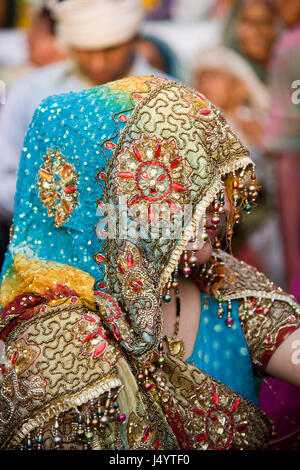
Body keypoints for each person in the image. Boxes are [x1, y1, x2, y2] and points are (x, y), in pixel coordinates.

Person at [0, 76, 299, 450]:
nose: (214, 203)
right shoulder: (55, 341)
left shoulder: (218, 279)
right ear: (108, 205)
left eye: (209, 178)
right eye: (176, 184)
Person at [0, 0, 168, 222]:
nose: (98, 63)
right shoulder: (30, 92)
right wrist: (55, 194)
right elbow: (4, 181)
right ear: (68, 44)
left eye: (111, 49)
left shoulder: (168, 99)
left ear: (134, 38)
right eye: (86, 51)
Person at [223, 0, 277, 84]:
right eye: (250, 22)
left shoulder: (284, 69)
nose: (259, 31)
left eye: (265, 22)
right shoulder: (225, 73)